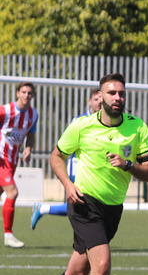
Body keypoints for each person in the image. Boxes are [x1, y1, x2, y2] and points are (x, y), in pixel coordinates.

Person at [25, 73, 148, 275]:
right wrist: (68, 185)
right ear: (100, 97)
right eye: (111, 93)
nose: (117, 98)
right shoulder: (82, 126)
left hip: (112, 210)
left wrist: (128, 164)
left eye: (121, 93)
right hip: (84, 204)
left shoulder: (137, 128)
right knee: (103, 263)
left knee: (78, 271)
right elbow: (56, 156)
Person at [31, 87, 103, 229]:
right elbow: (67, 144)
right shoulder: (80, 120)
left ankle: (43, 209)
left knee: (81, 205)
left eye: (101, 100)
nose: (99, 103)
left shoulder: (105, 122)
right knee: (79, 203)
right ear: (89, 101)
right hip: (77, 165)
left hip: (94, 168)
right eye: (96, 100)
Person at [1, 81, 39, 248]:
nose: (26, 95)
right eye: (23, 92)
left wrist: (29, 148)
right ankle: (8, 235)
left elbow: (30, 135)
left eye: (29, 93)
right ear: (17, 93)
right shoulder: (5, 111)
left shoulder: (33, 115)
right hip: (1, 158)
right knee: (13, 192)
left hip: (13, 160)